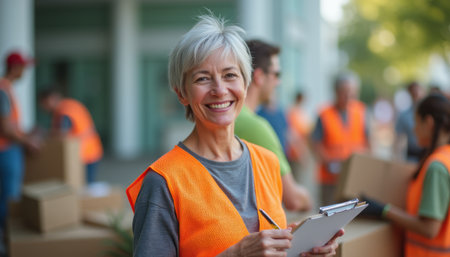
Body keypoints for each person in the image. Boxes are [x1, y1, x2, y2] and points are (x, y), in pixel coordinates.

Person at [127, 15, 342, 257]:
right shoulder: (163, 182)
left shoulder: (267, 162)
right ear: (182, 94)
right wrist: (236, 254)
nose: (220, 90)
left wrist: (301, 250)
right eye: (202, 78)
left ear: (245, 82)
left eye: (230, 75)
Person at [363, 94, 450, 257]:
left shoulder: (437, 167)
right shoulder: (445, 157)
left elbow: (429, 229)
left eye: (416, 122)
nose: (414, 129)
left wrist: (384, 210)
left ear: (429, 122)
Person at [234, 39, 312, 212]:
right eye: (276, 75)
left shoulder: (230, 119)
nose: (278, 82)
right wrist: (307, 199)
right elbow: (294, 200)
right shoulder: (254, 126)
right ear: (259, 76)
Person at [0, 51, 40, 254]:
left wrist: (25, 133)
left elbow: (11, 125)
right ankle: (8, 245)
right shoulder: (3, 90)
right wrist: (27, 141)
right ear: (15, 68)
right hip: (5, 152)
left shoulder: (6, 89)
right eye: (23, 67)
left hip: (8, 150)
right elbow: (5, 129)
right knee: (9, 199)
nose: (25, 71)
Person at [310, 73, 370, 205]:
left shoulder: (361, 111)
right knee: (329, 214)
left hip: (354, 177)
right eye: (345, 92)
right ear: (336, 92)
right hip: (330, 179)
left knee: (354, 214)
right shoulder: (324, 114)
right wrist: (329, 162)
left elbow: (369, 141)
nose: (349, 96)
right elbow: (315, 143)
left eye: (352, 92)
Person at [39, 89, 103, 184]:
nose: (43, 107)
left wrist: (43, 135)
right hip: (88, 151)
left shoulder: (65, 111)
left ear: (52, 99)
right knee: (85, 185)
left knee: (85, 186)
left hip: (86, 153)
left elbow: (62, 134)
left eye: (44, 103)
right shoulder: (67, 106)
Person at [395, 81, 425, 163]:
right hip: (412, 154)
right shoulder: (404, 115)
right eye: (413, 92)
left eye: (418, 91)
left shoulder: (429, 114)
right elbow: (399, 138)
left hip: (426, 153)